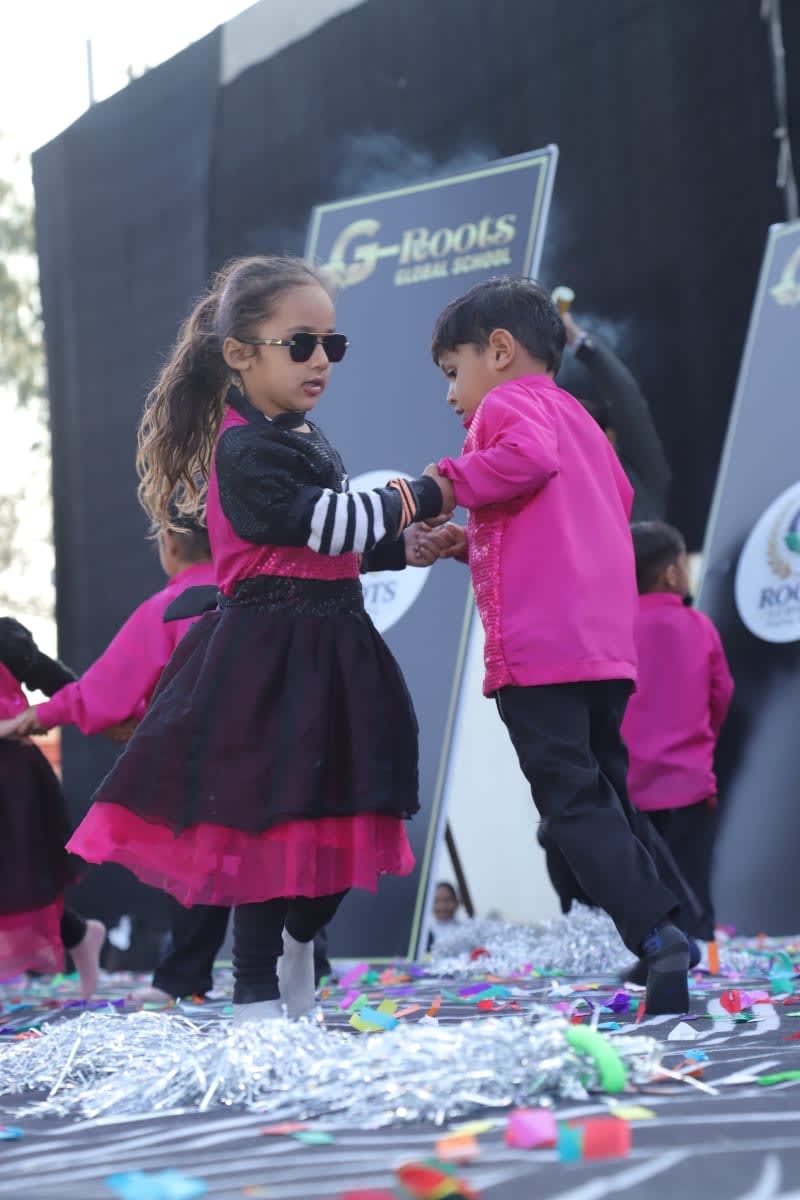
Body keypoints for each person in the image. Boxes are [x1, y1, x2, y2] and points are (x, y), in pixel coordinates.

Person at [37, 255, 449, 1025]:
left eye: (333, 345)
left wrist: (403, 548)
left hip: (335, 652)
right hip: (267, 661)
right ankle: (257, 991)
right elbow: (323, 523)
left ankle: (299, 940)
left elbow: (321, 544)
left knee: (349, 807)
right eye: (302, 344)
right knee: (266, 828)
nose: (322, 360)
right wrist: (426, 493)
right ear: (239, 353)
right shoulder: (245, 448)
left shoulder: (298, 435)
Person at [421, 276, 690, 1015]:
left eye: (453, 372)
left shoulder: (507, 407)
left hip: (540, 653)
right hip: (601, 647)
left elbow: (526, 461)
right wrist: (467, 543)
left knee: (570, 801)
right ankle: (672, 926)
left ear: (499, 351)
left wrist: (445, 485)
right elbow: (575, 511)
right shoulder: (580, 422)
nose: (452, 396)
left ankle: (659, 933)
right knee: (608, 794)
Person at [0, 524, 224, 1003]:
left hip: (200, 761)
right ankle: (293, 965)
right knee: (268, 859)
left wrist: (42, 717)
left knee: (200, 863)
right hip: (270, 757)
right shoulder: (255, 600)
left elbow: (94, 689)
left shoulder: (173, 606)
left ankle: (193, 975)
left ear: (170, 543)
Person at [621, 522, 733, 942]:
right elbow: (721, 695)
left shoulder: (613, 627)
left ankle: (654, 961)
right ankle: (701, 966)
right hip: (689, 784)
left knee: (645, 891)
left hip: (630, 789)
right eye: (685, 562)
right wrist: (702, 743)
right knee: (693, 889)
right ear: (671, 573)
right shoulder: (699, 626)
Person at [0, 618, 105, 996]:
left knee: (18, 879)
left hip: (11, 780)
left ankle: (79, 935)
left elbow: (66, 687)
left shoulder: (6, 641)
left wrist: (28, 719)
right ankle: (80, 935)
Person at [558, 307, 671, 522]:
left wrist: (579, 341)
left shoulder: (642, 481)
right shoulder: (557, 503)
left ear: (611, 438)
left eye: (583, 436)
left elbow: (626, 400)